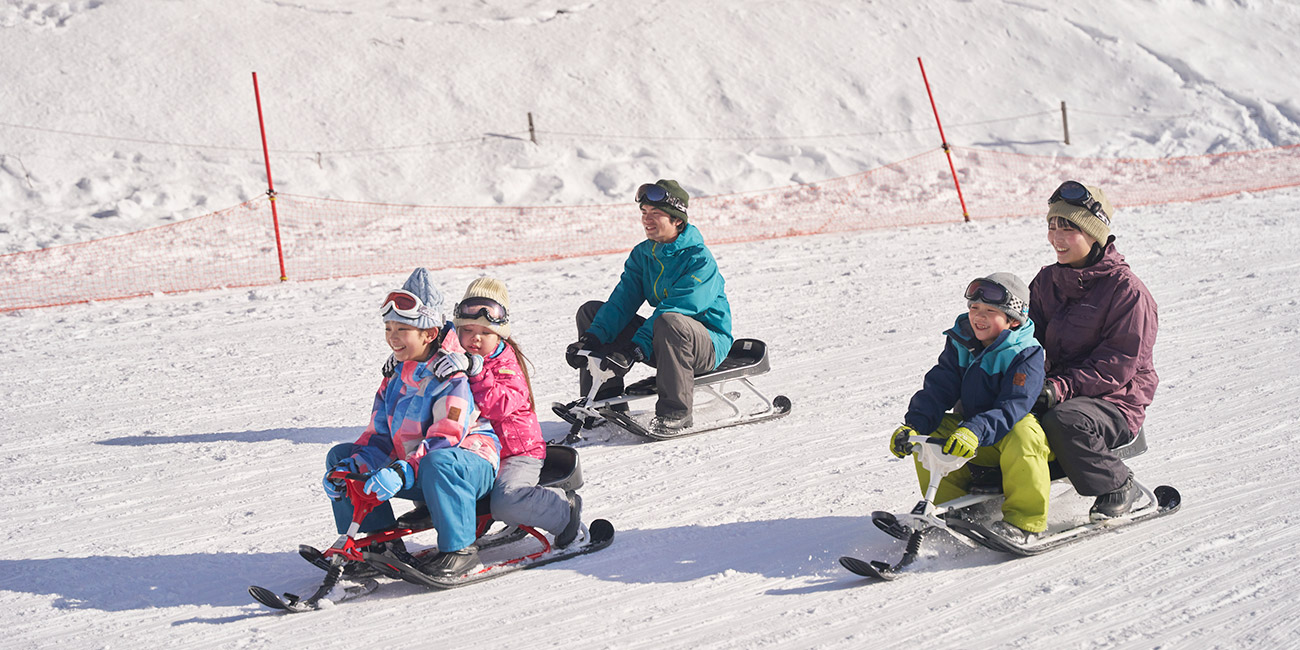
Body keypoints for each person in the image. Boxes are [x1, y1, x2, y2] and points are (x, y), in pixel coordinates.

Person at [322, 267, 500, 578]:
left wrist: (404, 470)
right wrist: (355, 466)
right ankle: (376, 545)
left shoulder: (450, 377)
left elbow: (446, 438)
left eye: (401, 329)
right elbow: (379, 436)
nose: (392, 337)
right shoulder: (394, 376)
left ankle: (460, 550)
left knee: (438, 461)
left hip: (468, 467)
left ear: (429, 334)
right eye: (388, 328)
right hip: (417, 470)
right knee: (342, 457)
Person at [888, 273, 1051, 543]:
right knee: (930, 435)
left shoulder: (1026, 352)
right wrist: (913, 427)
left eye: (990, 311)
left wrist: (974, 429)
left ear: (1013, 319)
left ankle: (1025, 522)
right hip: (974, 436)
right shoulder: (961, 342)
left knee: (1024, 433)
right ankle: (954, 510)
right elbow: (939, 387)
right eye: (974, 308)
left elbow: (1014, 405)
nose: (979, 316)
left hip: (1010, 435)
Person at [1029, 181, 1158, 520]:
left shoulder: (1128, 292)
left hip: (1115, 400)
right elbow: (1024, 335)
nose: (1056, 236)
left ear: (1094, 233)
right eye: (1052, 226)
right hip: (1061, 390)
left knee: (1064, 420)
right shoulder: (1047, 282)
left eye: (1068, 227)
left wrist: (1057, 388)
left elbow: (1116, 366)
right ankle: (995, 487)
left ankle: (1117, 484)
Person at [564, 179, 733, 435]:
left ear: (677, 220)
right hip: (664, 339)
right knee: (592, 311)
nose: (647, 219)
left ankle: (675, 413)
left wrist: (635, 349)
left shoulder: (700, 261)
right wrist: (592, 339)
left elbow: (677, 309)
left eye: (656, 214)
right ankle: (602, 402)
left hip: (705, 345)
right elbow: (622, 302)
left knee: (671, 321)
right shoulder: (644, 254)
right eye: (644, 213)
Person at [435, 277, 584, 548]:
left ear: (500, 334)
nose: (475, 338)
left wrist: (477, 372)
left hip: (517, 453)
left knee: (506, 500)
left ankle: (564, 511)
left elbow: (499, 405)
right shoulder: (457, 356)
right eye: (467, 330)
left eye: (486, 332)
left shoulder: (505, 364)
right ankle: (467, 530)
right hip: (479, 452)